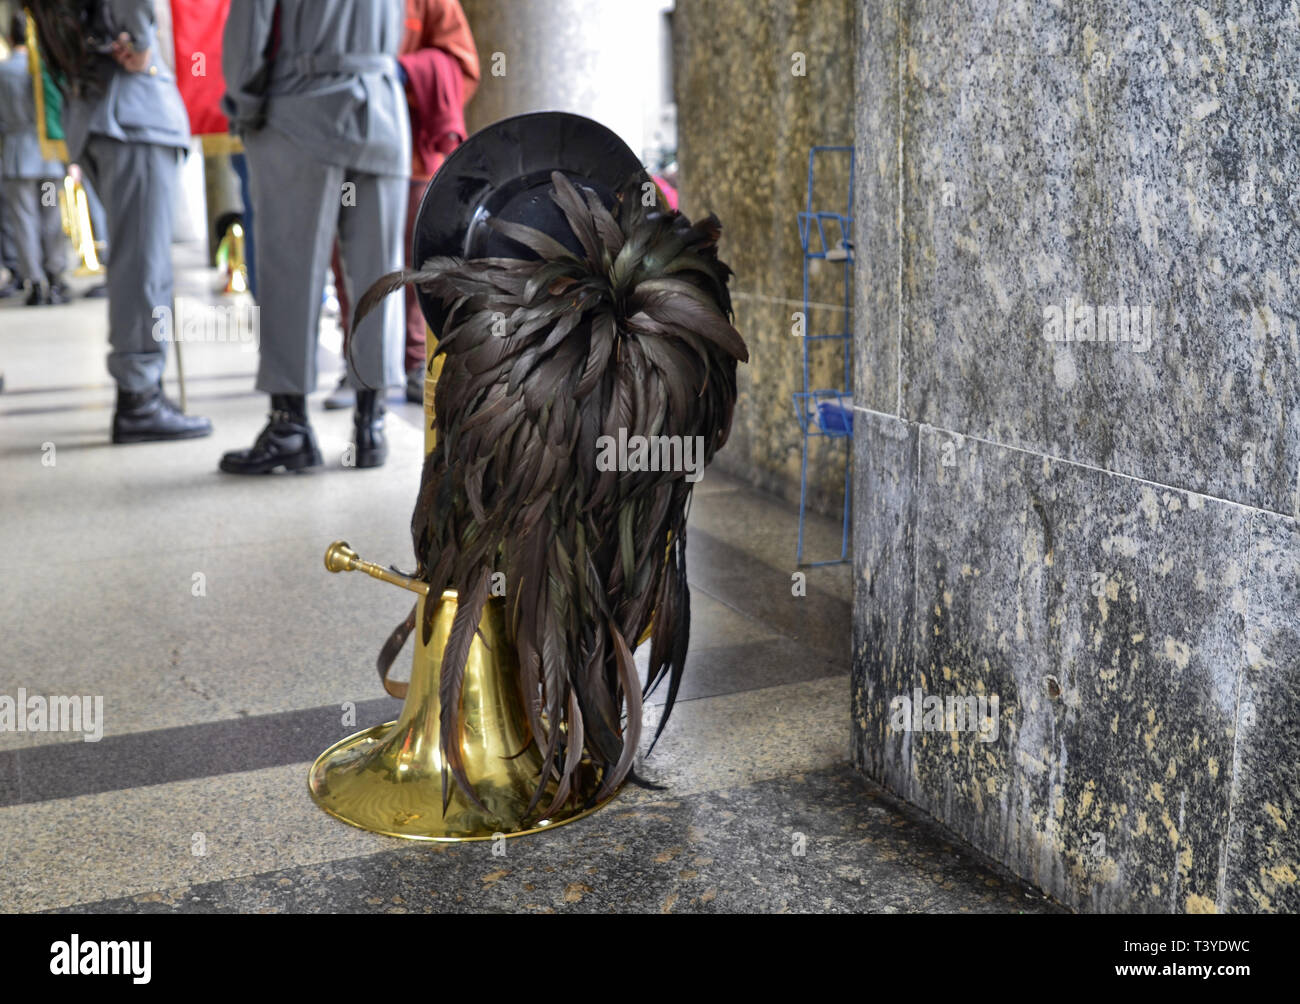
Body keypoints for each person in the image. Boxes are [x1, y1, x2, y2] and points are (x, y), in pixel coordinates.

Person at [219, 0, 411, 475]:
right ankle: (371, 424)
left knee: (290, 268)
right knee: (379, 273)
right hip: (382, 106)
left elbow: (248, 32)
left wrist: (243, 104)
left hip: (301, 109)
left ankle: (290, 426)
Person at [28, 0, 213, 443]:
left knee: (138, 259)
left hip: (100, 107)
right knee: (143, 264)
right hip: (129, 109)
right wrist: (143, 39)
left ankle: (145, 386)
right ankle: (139, 396)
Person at [324, 0, 479, 410]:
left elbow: (462, 62)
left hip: (413, 150)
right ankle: (356, 364)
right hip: (344, 143)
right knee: (349, 266)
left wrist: (403, 73)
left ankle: (413, 363)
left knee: (415, 264)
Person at [0, 14, 69, 306]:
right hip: (47, 158)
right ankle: (55, 276)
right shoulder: (43, 69)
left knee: (24, 222)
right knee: (51, 215)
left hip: (17, 160)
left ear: (10, 38)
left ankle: (36, 281)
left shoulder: (3, 73)